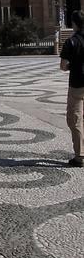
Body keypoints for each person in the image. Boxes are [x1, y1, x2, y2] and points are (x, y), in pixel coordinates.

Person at [59, 10, 84, 167]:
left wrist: (72, 66)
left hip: (77, 84)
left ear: (73, 23)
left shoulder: (71, 42)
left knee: (75, 119)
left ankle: (80, 156)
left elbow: (63, 66)